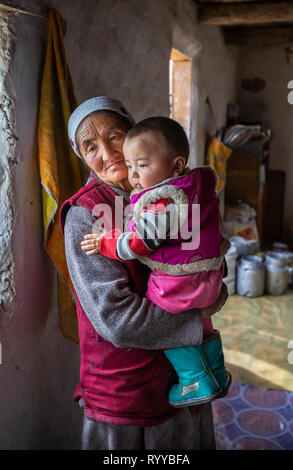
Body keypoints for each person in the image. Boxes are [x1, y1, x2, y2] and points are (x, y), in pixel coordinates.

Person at [60, 96, 228, 450]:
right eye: (91, 147)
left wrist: (211, 281)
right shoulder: (84, 216)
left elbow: (207, 252)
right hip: (125, 390)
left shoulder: (173, 190)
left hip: (184, 380)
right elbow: (118, 321)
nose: (107, 153)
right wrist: (198, 315)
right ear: (82, 156)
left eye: (114, 136)